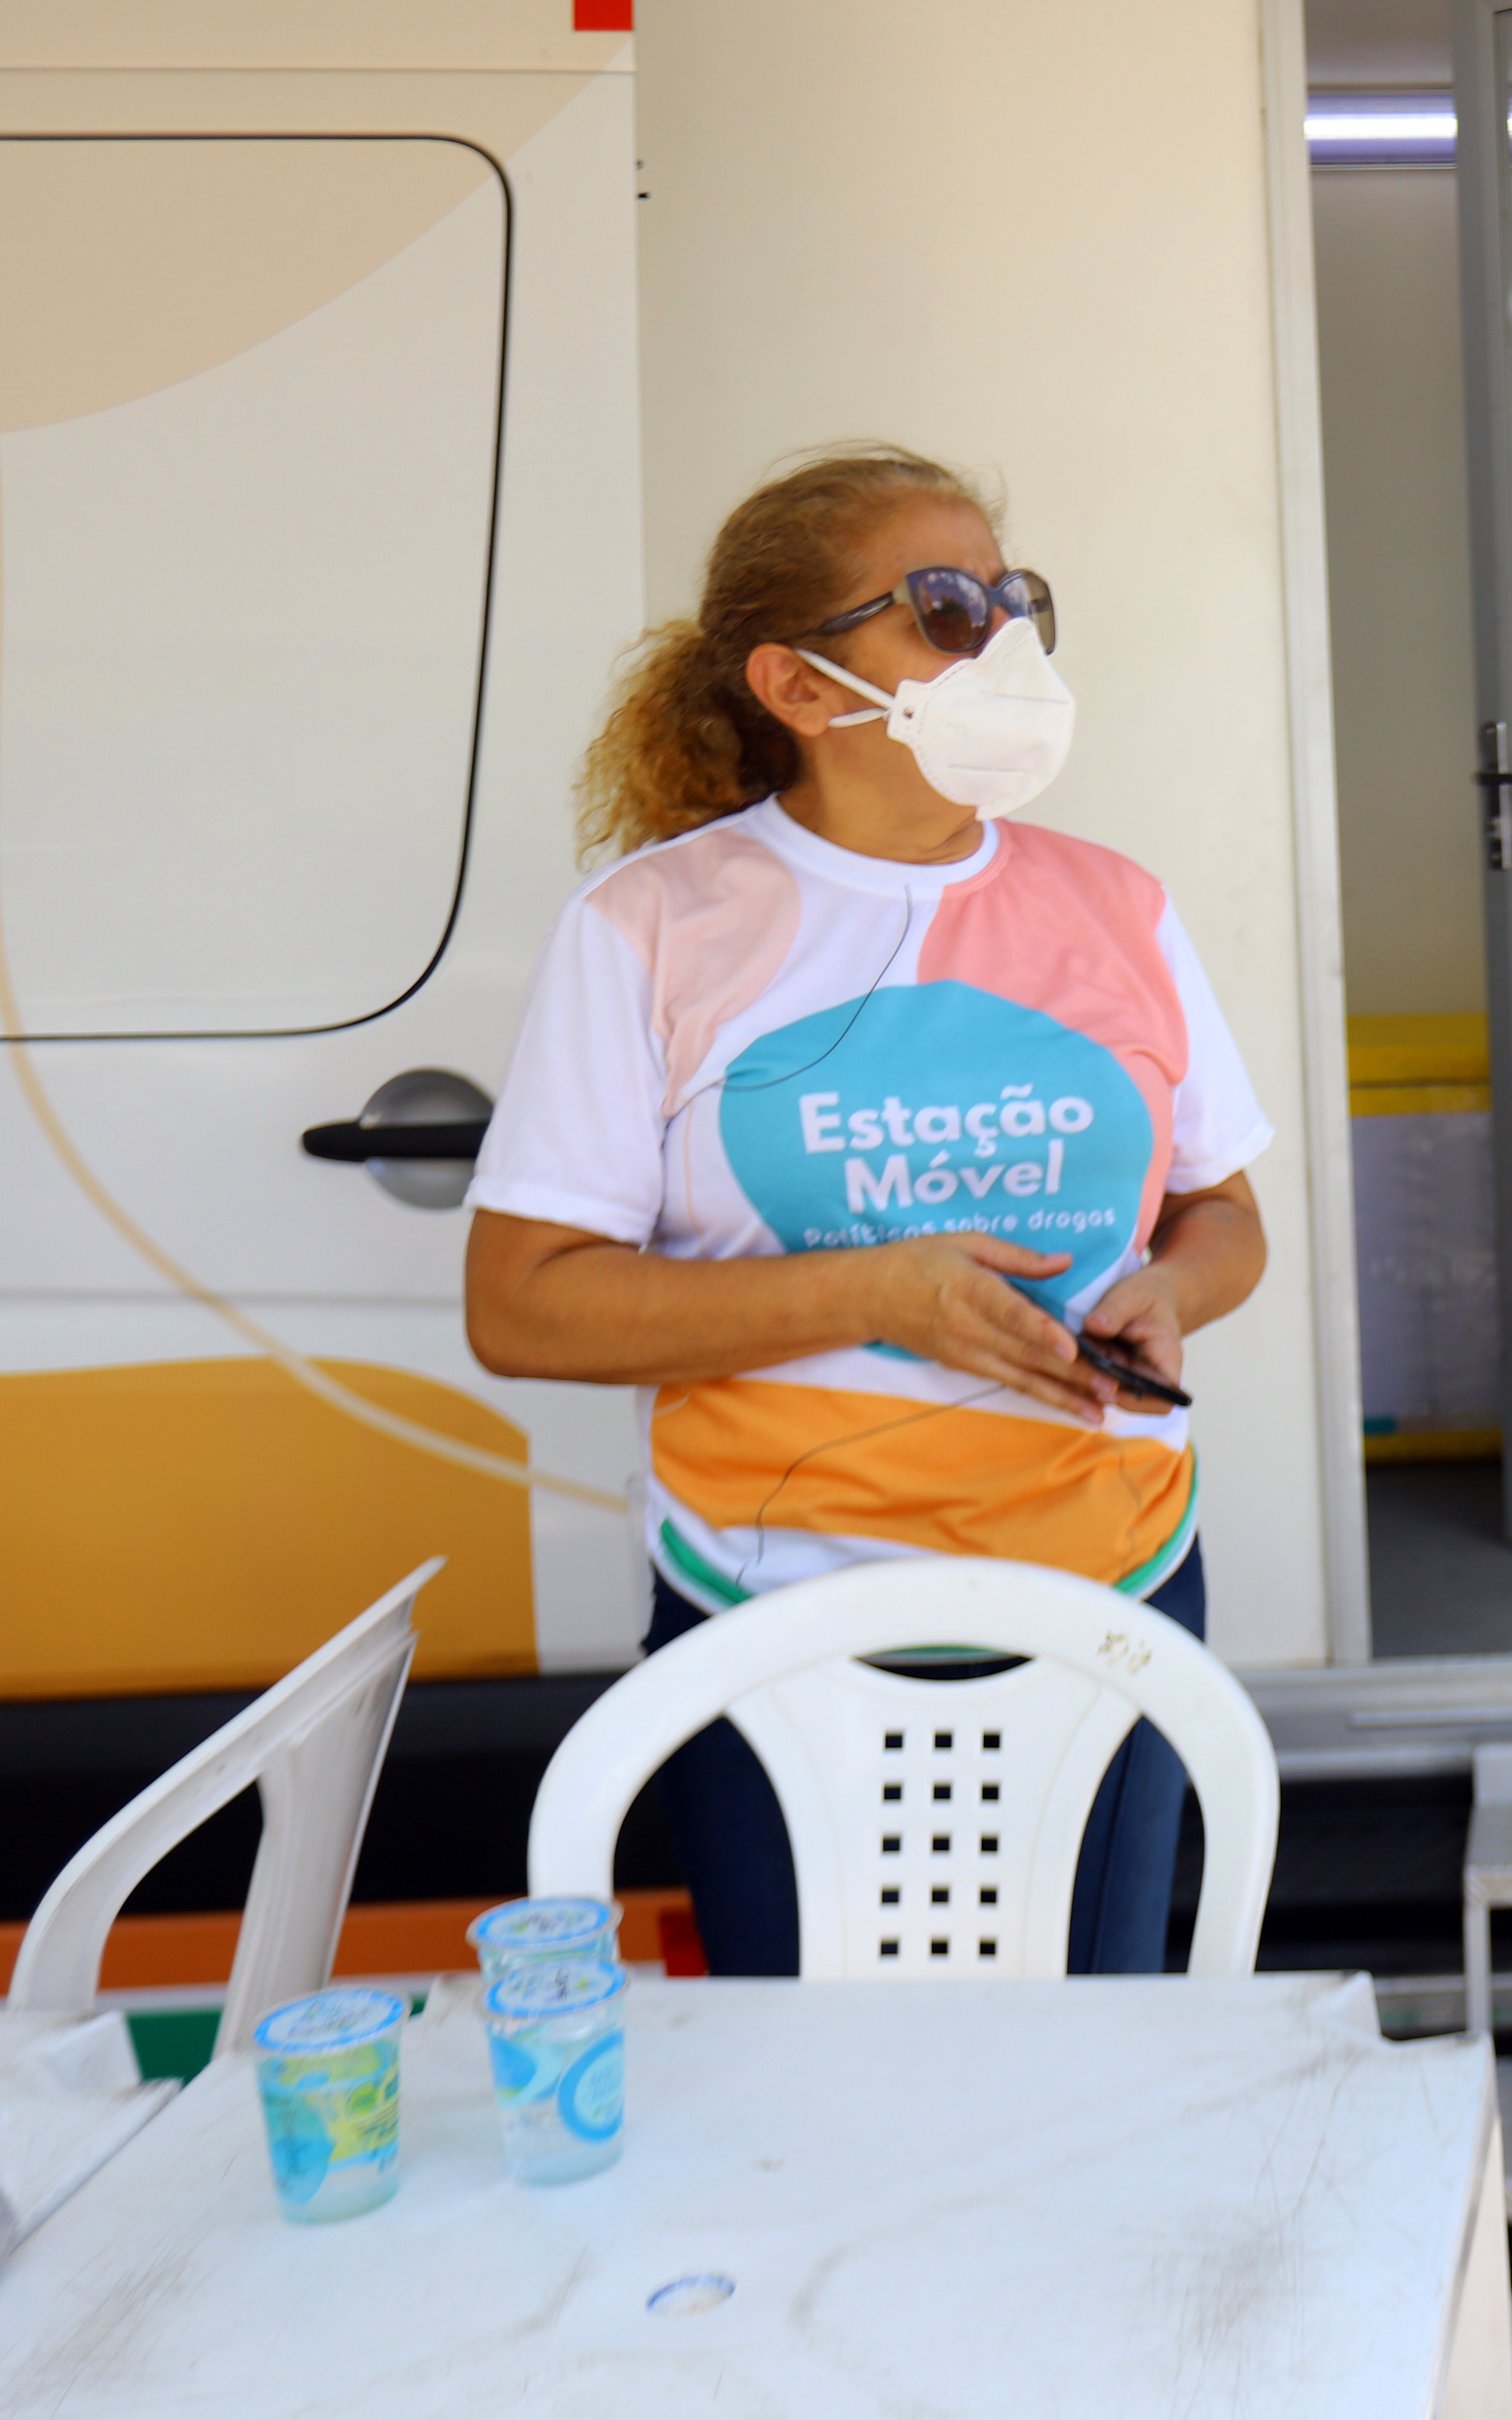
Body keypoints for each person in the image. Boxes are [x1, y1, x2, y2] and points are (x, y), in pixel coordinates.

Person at [464, 445, 1271, 1976]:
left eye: (1017, 601)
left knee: (1094, 2055)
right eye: (948, 609)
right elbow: (521, 1305)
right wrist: (873, 1293)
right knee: (811, 2082)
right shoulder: (650, 927)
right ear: (796, 683)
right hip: (775, 1611)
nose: (1007, 643)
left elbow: (1224, 1215)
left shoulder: (1118, 904)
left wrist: (1171, 1291)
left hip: (1108, 1589)